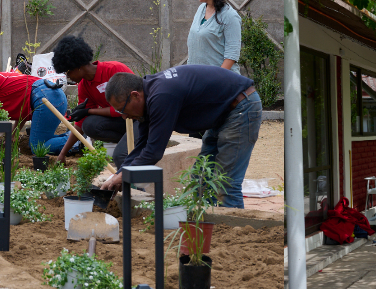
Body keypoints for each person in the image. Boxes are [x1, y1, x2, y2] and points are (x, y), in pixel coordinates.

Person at [98, 65, 261, 208]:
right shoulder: (149, 95)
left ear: (135, 95)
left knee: (226, 183)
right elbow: (142, 145)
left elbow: (154, 151)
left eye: (122, 109)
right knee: (201, 178)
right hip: (223, 113)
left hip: (240, 108)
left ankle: (231, 235)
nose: (124, 117)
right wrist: (118, 174)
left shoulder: (161, 95)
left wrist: (123, 176)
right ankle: (211, 225)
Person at [49, 35, 137, 168]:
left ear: (77, 67)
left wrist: (89, 111)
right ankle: (126, 141)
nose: (68, 77)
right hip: (122, 121)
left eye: (68, 72)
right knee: (89, 125)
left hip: (137, 118)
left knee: (120, 155)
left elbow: (129, 107)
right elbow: (80, 123)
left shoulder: (114, 70)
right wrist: (62, 154)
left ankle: (137, 141)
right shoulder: (84, 86)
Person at [186, 0, 242, 72]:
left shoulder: (230, 16)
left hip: (220, 82)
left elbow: (232, 54)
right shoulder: (201, 9)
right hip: (199, 79)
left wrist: (216, 79)